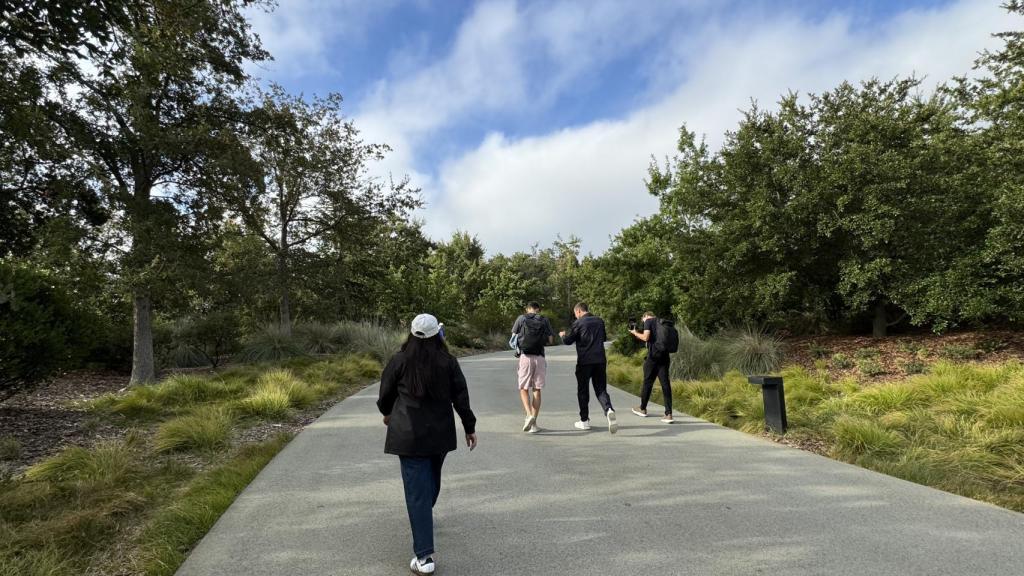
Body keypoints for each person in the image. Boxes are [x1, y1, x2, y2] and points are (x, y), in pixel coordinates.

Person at [378, 313, 478, 575]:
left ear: (411, 333)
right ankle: (424, 554)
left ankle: (423, 546)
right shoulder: (448, 361)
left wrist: (387, 413)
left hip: (408, 436)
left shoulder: (400, 360)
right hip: (438, 436)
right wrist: (469, 427)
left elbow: (384, 394)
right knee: (427, 486)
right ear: (438, 335)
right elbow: (461, 398)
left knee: (420, 491)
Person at [559, 302, 617, 433]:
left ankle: (584, 421)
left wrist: (563, 335)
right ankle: (608, 409)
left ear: (578, 311)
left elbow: (568, 341)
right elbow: (604, 338)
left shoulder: (578, 323)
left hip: (585, 361)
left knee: (583, 390)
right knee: (601, 389)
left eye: (575, 314)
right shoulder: (599, 321)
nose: (576, 316)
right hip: (600, 360)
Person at [510, 301, 555, 433]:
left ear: (527, 309)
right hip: (540, 357)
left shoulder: (521, 318)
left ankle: (529, 415)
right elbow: (551, 340)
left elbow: (513, 338)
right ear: (538, 309)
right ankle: (534, 424)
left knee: (523, 388)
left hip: (525, 357)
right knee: (537, 389)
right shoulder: (544, 320)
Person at [629, 311, 675, 423]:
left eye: (642, 320)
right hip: (664, 357)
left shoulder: (649, 321)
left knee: (648, 382)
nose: (643, 322)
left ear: (645, 316)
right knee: (665, 385)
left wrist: (635, 333)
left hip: (653, 358)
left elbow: (645, 337)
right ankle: (668, 414)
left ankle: (642, 408)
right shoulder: (663, 322)